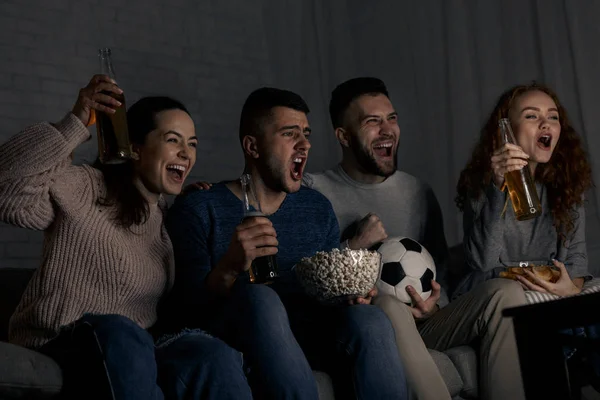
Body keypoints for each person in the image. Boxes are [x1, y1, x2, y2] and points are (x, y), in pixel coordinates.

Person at [0, 75, 252, 400]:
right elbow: (7, 188)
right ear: (136, 148)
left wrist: (186, 213)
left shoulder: (164, 219)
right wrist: (76, 120)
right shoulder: (87, 187)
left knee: (211, 354)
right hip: (65, 338)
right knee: (120, 331)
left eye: (192, 144)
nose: (186, 153)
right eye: (173, 140)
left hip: (135, 348)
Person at [165, 87, 408, 399]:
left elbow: (326, 285)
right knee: (260, 298)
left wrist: (348, 293)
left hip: (308, 332)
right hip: (236, 337)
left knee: (370, 318)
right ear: (252, 146)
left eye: (306, 133)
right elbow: (185, 312)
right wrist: (228, 267)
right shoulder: (200, 208)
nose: (304, 144)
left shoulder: (317, 208)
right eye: (290, 134)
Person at [302, 77, 526, 400]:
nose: (387, 129)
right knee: (387, 305)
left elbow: (441, 274)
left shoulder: (417, 192)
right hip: (369, 325)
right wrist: (355, 246)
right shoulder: (314, 191)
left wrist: (434, 306)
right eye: (372, 121)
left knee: (505, 293)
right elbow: (309, 276)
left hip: (424, 323)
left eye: (391, 118)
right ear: (344, 136)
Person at [455, 82, 598, 386]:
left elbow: (577, 260)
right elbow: (482, 262)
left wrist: (570, 287)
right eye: (532, 116)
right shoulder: (484, 185)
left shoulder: (567, 186)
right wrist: (497, 189)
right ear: (505, 130)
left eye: (553, 117)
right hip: (495, 291)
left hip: (550, 290)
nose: (546, 123)